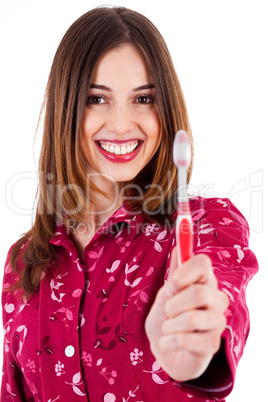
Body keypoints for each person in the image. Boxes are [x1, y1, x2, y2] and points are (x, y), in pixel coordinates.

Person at [1, 6, 258, 402]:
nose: (121, 124)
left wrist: (196, 353)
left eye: (143, 98)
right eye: (96, 98)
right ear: (66, 107)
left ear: (165, 109)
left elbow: (223, 293)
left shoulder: (207, 224)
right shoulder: (23, 263)